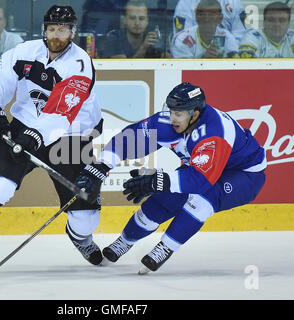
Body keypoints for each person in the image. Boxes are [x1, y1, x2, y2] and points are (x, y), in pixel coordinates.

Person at [0, 5, 106, 272]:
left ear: (73, 33)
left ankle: (81, 237)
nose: (56, 35)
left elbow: (62, 112)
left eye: (63, 30)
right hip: (25, 126)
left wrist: (35, 135)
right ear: (44, 30)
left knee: (85, 215)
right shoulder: (26, 52)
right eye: (52, 29)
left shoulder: (80, 64)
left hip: (71, 138)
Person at [75, 82, 266, 273]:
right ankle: (124, 241)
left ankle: (165, 247)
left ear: (195, 113)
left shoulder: (213, 134)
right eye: (171, 110)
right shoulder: (170, 122)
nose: (173, 118)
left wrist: (158, 181)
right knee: (164, 200)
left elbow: (201, 180)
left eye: (179, 113)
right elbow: (130, 139)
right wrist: (102, 165)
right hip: (202, 169)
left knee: (201, 201)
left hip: (244, 174)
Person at [170, 0, 240, 58]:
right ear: (196, 17)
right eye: (203, 15)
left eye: (211, 15)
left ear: (220, 18)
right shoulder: (182, 40)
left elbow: (237, 66)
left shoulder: (227, 38)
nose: (207, 19)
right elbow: (183, 72)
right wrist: (204, 60)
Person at [102, 0, 170, 58]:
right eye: (132, 18)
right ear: (124, 20)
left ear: (147, 21)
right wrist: (144, 48)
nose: (137, 23)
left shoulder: (151, 39)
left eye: (141, 18)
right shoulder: (114, 38)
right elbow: (123, 68)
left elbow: (169, 62)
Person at [173, 0, 246, 44]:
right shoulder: (185, 3)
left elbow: (240, 36)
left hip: (227, 59)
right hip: (195, 60)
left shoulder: (233, 2)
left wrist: (226, 52)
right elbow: (181, 39)